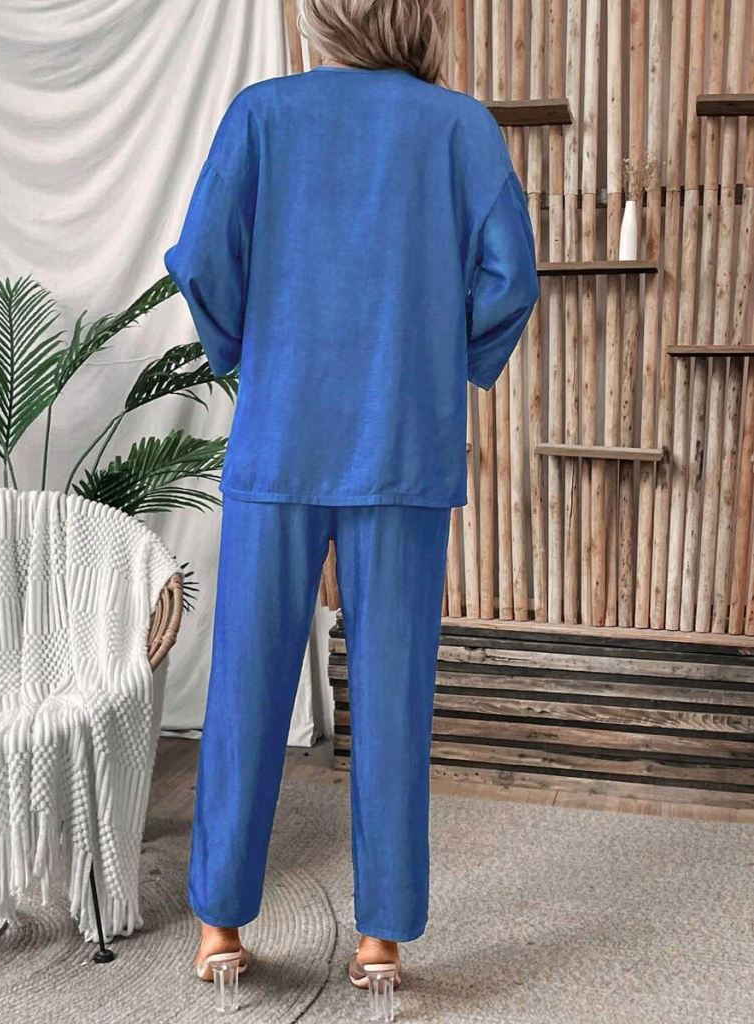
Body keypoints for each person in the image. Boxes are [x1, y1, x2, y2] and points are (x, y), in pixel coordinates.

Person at [163, 0, 538, 992]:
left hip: (281, 436)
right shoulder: (458, 126)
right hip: (402, 439)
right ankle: (381, 941)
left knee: (245, 683)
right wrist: (441, 361)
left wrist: (253, 352)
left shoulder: (262, 115)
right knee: (393, 688)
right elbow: (510, 280)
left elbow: (200, 259)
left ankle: (219, 928)